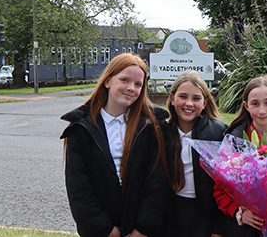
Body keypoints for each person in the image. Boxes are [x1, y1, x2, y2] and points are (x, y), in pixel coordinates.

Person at [60, 53, 169, 237]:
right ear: (108, 81)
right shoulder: (81, 128)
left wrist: (142, 229)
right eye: (124, 80)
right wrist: (106, 230)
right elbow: (79, 188)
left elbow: (158, 182)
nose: (131, 88)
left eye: (138, 84)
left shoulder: (152, 126)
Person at [213, 75, 267, 237]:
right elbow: (219, 190)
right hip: (239, 230)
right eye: (255, 103)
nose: (261, 110)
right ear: (246, 106)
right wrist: (239, 212)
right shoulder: (234, 140)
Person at [162, 70, 227, 237]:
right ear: (172, 98)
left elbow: (227, 186)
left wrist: (219, 229)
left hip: (206, 215)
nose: (189, 103)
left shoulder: (218, 132)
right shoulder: (161, 132)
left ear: (204, 103)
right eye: (183, 96)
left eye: (196, 98)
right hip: (170, 214)